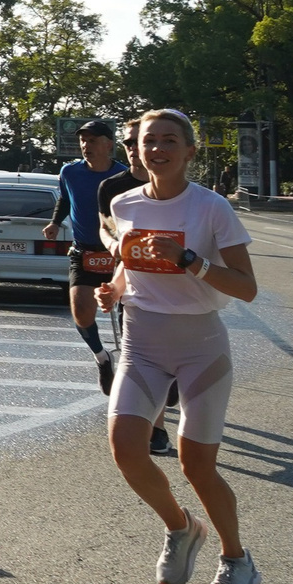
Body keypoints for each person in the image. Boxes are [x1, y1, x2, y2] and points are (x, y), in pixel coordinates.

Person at [103, 108, 262, 584]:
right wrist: (112, 288)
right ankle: (180, 527)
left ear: (189, 150)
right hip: (141, 343)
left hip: (201, 347)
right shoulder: (124, 203)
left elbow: (247, 288)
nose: (157, 149)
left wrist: (191, 261)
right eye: (149, 141)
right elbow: (131, 265)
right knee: (126, 449)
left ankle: (236, 558)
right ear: (138, 149)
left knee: (197, 465)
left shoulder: (211, 207)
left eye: (170, 140)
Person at [93, 122, 177, 458]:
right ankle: (155, 429)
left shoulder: (182, 191)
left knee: (165, 364)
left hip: (178, 294)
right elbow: (105, 227)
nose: (133, 148)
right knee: (146, 361)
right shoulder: (114, 190)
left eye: (137, 141)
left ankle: (168, 393)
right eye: (129, 143)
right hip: (135, 284)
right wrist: (115, 247)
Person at [43, 115, 127, 363]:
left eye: (92, 140)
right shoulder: (70, 172)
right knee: (81, 312)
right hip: (84, 252)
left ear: (108, 144)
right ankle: (102, 357)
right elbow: (66, 200)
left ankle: (134, 359)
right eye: (82, 140)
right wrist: (55, 223)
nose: (85, 145)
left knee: (130, 315)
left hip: (119, 253)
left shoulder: (123, 175)